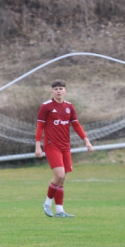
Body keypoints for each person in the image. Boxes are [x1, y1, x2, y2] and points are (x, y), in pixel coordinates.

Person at [35, 80, 93, 218]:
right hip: (51, 145)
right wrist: (38, 146)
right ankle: (47, 203)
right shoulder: (46, 107)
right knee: (59, 175)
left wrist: (86, 141)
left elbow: (77, 125)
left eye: (61, 88)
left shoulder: (69, 107)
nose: (58, 91)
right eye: (56, 89)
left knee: (62, 179)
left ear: (65, 91)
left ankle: (60, 210)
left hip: (65, 147)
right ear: (52, 91)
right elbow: (39, 127)